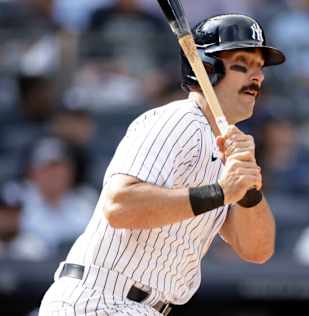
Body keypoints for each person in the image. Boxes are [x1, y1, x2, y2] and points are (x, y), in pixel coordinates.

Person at [39, 13, 285, 315]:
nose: (257, 77)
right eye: (243, 64)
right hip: (101, 299)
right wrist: (220, 192)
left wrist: (246, 187)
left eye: (260, 67)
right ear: (207, 68)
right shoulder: (179, 121)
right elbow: (119, 206)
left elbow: (257, 250)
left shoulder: (226, 145)